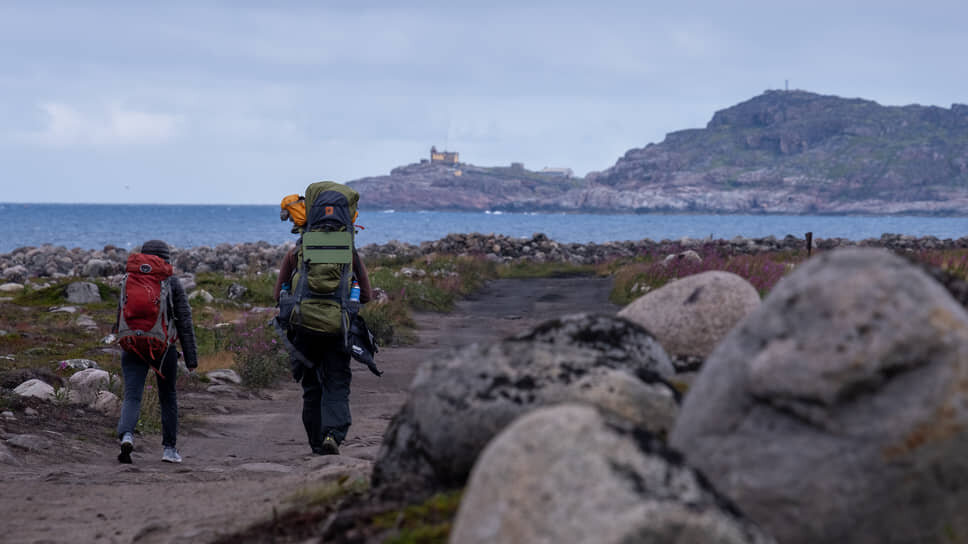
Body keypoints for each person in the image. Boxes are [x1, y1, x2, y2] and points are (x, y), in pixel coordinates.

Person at [274, 214, 373, 456]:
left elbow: (278, 295)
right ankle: (333, 435)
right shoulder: (349, 253)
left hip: (304, 331)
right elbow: (367, 295)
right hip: (338, 329)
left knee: (311, 387)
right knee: (336, 383)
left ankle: (317, 444)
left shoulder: (295, 253)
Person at [115, 240, 198, 464]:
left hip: (132, 344)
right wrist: (191, 358)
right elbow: (185, 321)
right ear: (166, 259)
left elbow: (121, 314)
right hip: (163, 347)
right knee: (168, 396)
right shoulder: (171, 282)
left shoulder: (128, 278)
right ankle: (169, 450)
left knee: (132, 395)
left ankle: (127, 435)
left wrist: (121, 338)